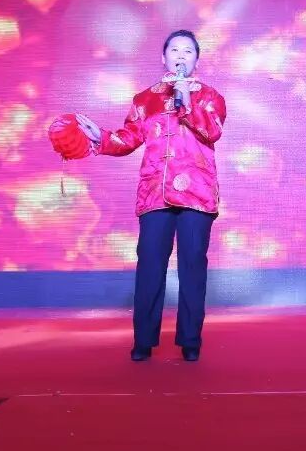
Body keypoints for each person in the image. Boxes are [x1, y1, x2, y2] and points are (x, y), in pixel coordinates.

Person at [76, 30, 226, 362]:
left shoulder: (210, 96)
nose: (181, 56)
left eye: (188, 51)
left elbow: (213, 131)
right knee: (149, 264)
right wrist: (100, 137)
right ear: (163, 57)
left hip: (197, 192)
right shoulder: (145, 99)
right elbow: (127, 139)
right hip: (155, 192)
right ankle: (143, 341)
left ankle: (190, 340)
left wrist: (187, 102)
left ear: (197, 60)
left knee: (192, 265)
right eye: (175, 50)